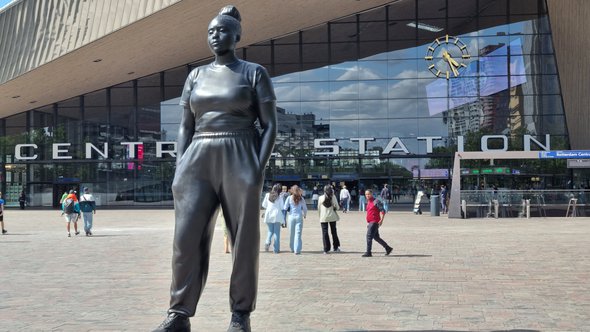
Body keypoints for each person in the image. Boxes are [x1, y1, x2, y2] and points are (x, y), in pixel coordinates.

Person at [153, 5, 277, 332]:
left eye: (221, 31)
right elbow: (184, 126)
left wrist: (257, 170)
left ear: (237, 35)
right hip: (198, 156)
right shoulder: (195, 76)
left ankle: (240, 315)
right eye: (210, 31)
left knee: (244, 240)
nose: (215, 36)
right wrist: (180, 167)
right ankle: (179, 314)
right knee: (186, 238)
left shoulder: (253, 73)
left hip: (240, 150)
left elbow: (270, 126)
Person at [362, 189, 393, 257]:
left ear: (372, 194)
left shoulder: (376, 201)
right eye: (366, 194)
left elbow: (383, 211)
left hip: (374, 222)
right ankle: (388, 248)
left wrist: (381, 220)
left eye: (368, 194)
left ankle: (368, 252)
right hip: (370, 222)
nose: (367, 195)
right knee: (376, 237)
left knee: (369, 237)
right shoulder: (368, 202)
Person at [261, 183, 286, 253]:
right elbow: (282, 207)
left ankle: (267, 242)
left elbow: (264, 205)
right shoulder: (280, 197)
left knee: (270, 230)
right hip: (277, 215)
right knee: (276, 233)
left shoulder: (267, 195)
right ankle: (276, 249)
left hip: (268, 215)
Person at [283, 185, 307, 255]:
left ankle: (292, 248)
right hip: (299, 216)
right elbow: (305, 208)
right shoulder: (301, 199)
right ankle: (297, 249)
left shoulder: (289, 198)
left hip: (291, 217)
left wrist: (284, 218)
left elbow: (285, 208)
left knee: (291, 234)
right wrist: (305, 215)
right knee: (298, 234)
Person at [317, 185, 341, 254]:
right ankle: (335, 247)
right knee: (334, 232)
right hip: (332, 216)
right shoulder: (333, 197)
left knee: (325, 233)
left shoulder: (320, 198)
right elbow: (337, 207)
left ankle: (326, 249)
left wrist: (320, 216)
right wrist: (334, 208)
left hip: (323, 217)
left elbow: (318, 208)